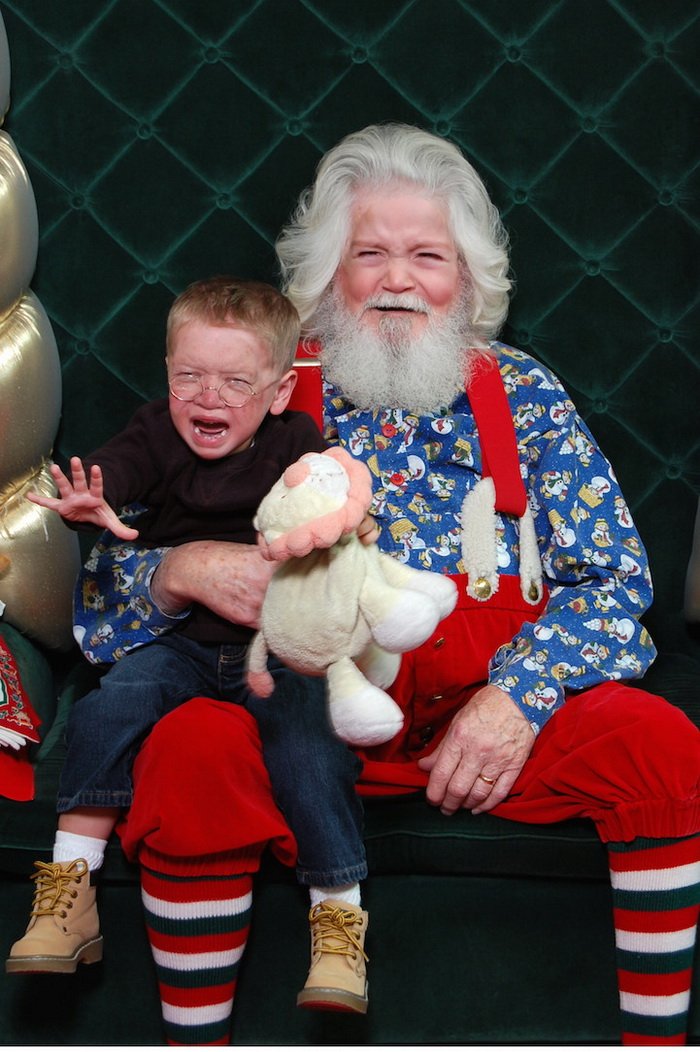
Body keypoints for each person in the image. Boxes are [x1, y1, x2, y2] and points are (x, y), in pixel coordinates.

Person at [23, 125, 700, 1046]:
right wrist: (181, 569)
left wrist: (518, 696)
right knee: (187, 748)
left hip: (479, 712)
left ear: (468, 278)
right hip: (294, 720)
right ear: (325, 276)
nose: (396, 280)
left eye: (428, 256)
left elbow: (615, 581)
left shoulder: (526, 396)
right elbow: (103, 591)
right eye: (368, 254)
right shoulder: (257, 390)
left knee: (660, 745)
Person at [5, 276, 372, 1014]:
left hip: (272, 649)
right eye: (189, 377)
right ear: (167, 374)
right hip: (179, 641)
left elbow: (334, 492)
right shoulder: (155, 432)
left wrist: (345, 520)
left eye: (236, 381)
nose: (209, 397)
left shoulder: (296, 442)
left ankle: (339, 919)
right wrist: (92, 501)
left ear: (278, 392)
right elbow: (118, 470)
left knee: (311, 742)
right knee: (111, 704)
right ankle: (71, 888)